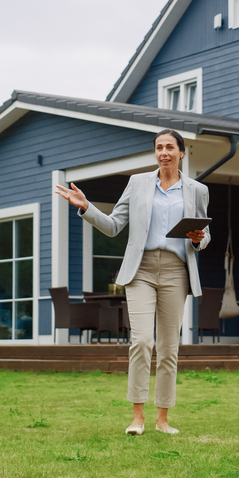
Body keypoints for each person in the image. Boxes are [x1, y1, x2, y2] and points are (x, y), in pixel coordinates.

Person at [54, 129, 210, 436]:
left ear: (181, 152)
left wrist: (198, 238)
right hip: (141, 269)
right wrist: (86, 207)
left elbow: (204, 234)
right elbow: (114, 226)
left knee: (169, 347)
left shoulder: (197, 190)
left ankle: (163, 419)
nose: (164, 152)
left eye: (170, 147)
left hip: (177, 271)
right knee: (141, 341)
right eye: (159, 147)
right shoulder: (138, 183)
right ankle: (137, 417)